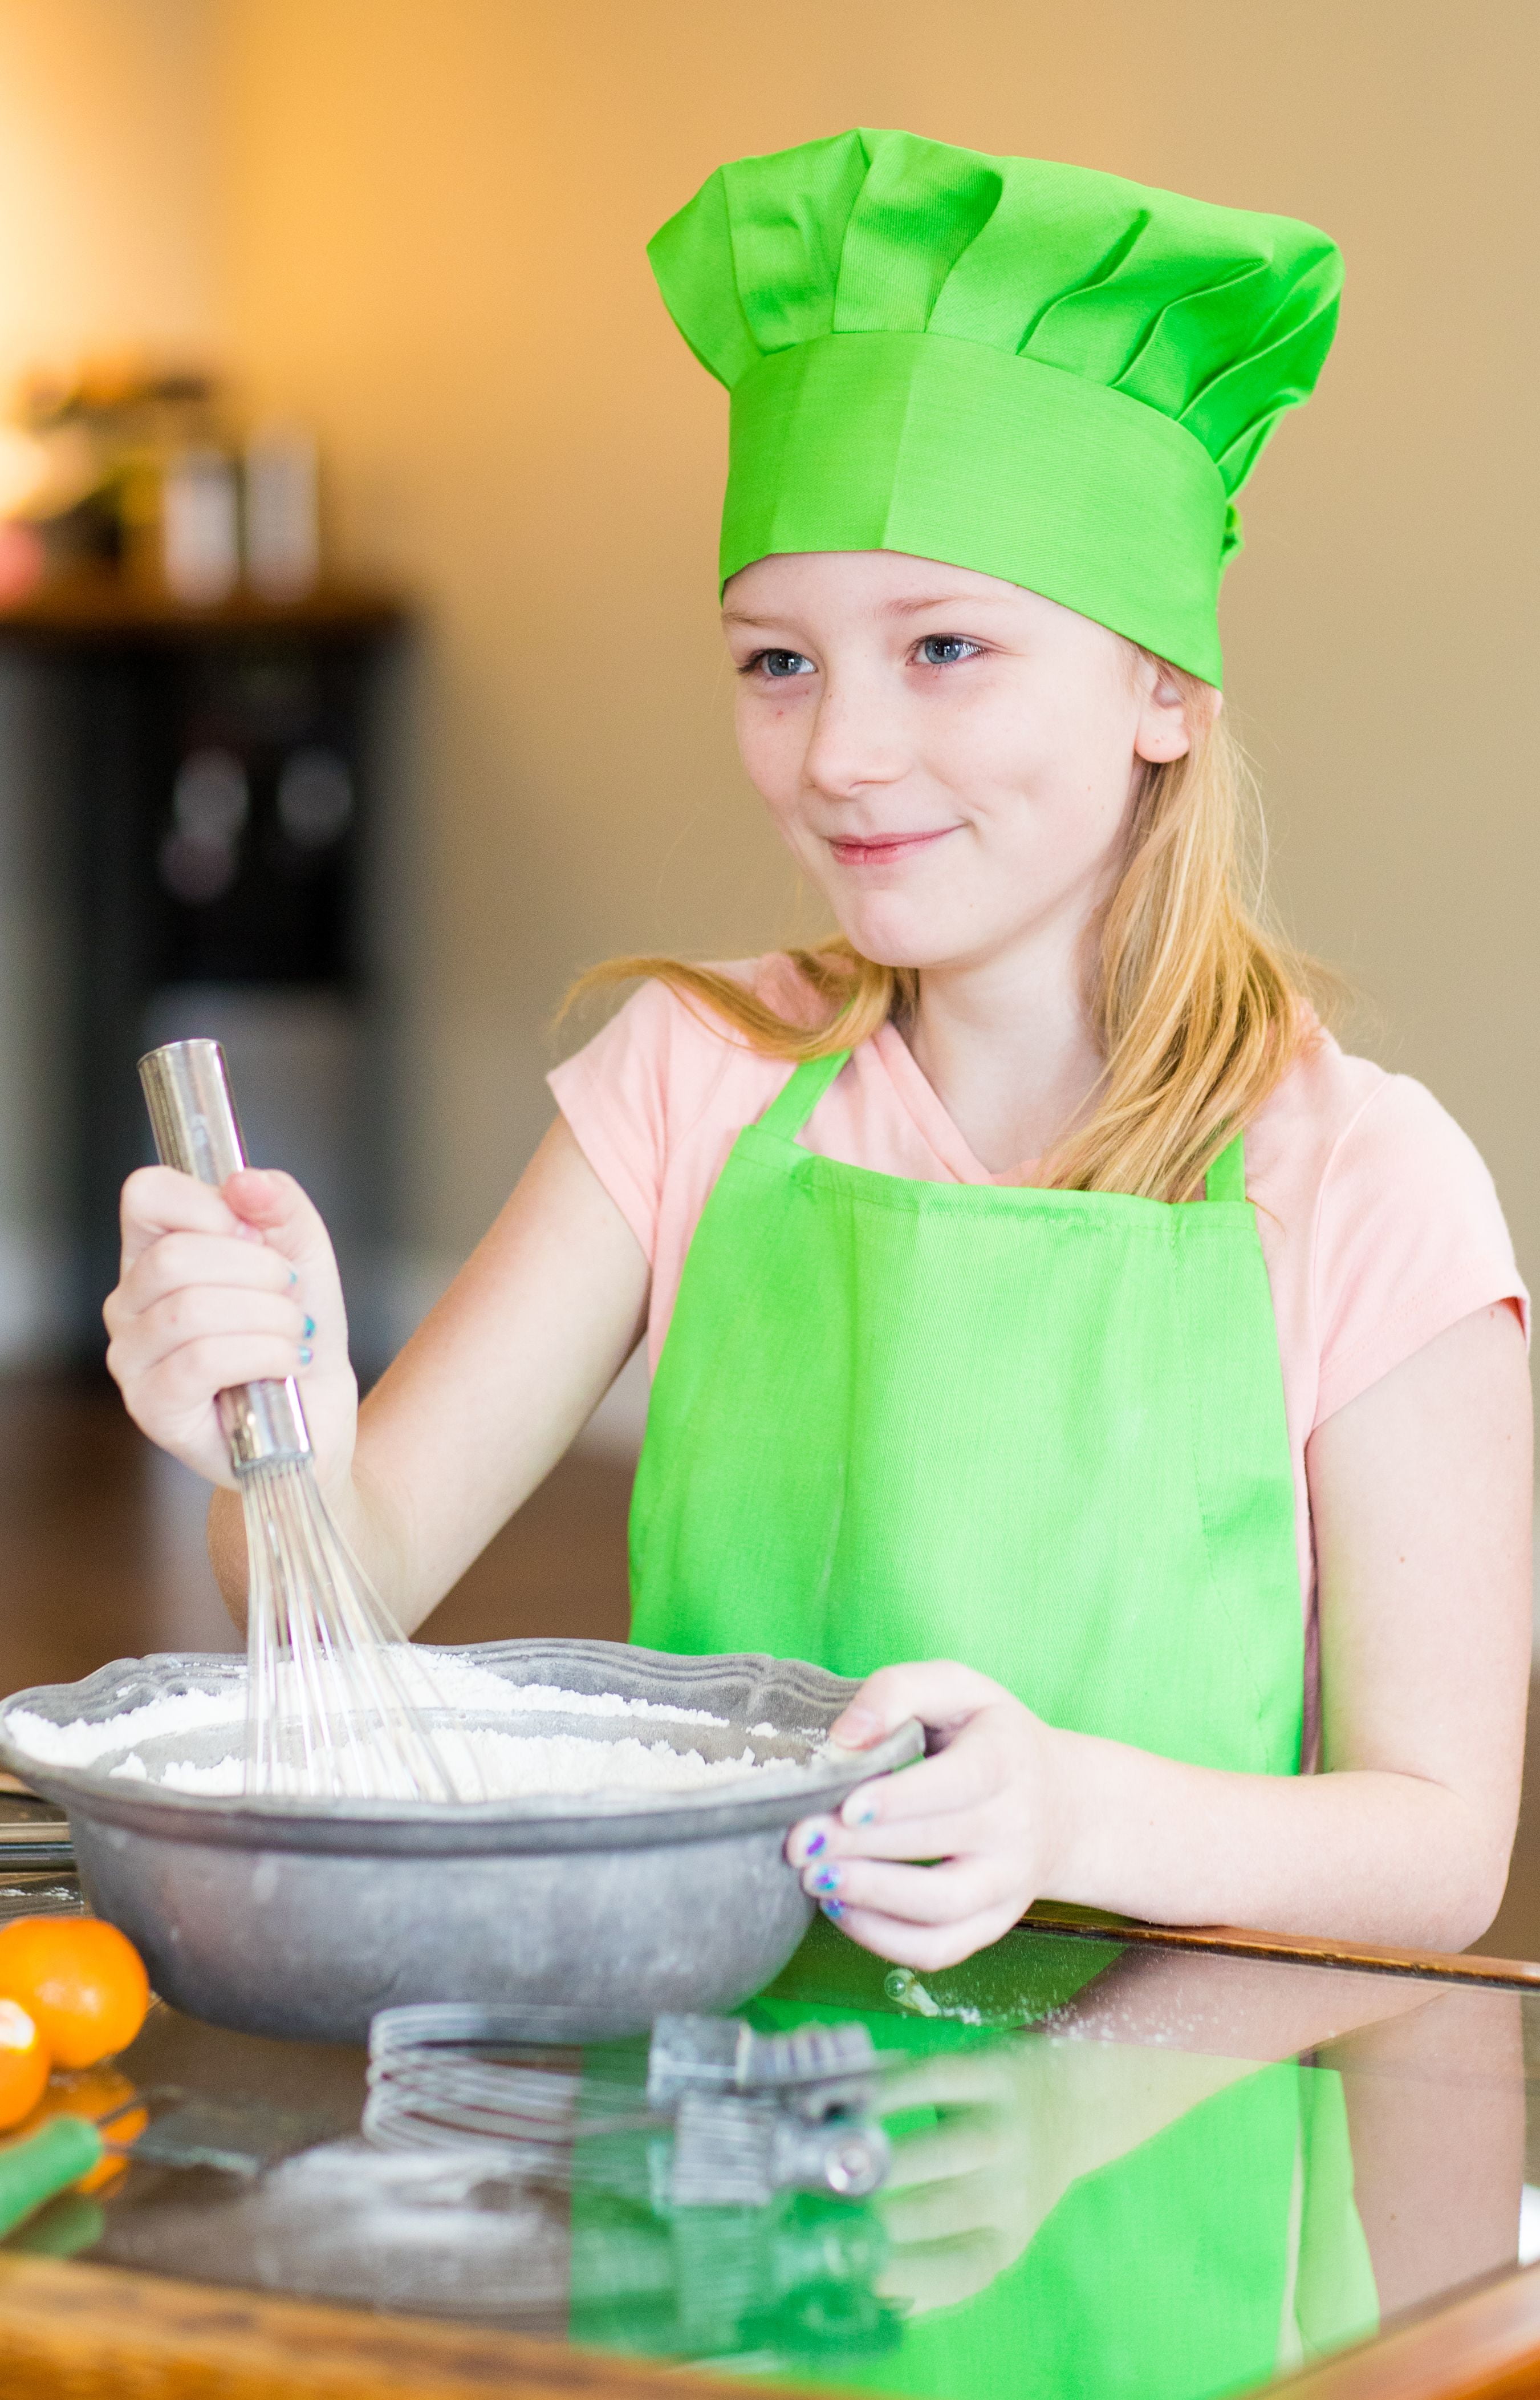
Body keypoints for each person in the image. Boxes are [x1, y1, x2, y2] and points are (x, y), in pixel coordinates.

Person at [104, 129, 1531, 1975]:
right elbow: (334, 1606)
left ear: (1165, 688)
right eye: (777, 661)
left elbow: (1439, 1850)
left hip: (1159, 2163)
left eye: (945, 647)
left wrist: (1074, 1815)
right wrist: (273, 1439)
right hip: (712, 2118)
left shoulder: (1364, 1183)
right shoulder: (689, 1075)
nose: (840, 752)